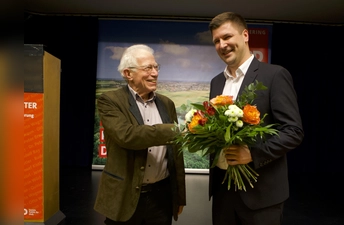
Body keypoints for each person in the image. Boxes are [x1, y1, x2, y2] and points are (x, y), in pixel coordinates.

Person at [208, 12, 304, 225]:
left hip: (262, 196)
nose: (222, 45)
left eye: (227, 37)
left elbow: (293, 131)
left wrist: (253, 153)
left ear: (245, 35)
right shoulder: (215, 82)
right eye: (217, 41)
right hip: (223, 193)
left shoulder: (275, 75)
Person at [94, 44, 186, 225]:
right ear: (128, 74)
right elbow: (128, 135)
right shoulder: (110, 101)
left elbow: (176, 153)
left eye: (156, 67)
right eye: (148, 68)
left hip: (162, 198)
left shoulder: (167, 104)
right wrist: (175, 130)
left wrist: (179, 196)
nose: (155, 73)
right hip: (124, 196)